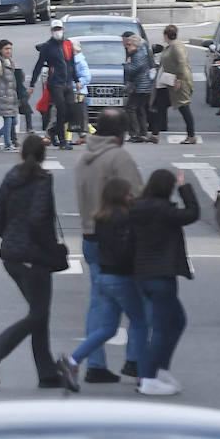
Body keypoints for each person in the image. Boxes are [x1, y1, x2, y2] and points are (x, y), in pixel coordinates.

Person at [0, 136, 78, 392]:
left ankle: (46, 373)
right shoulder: (43, 181)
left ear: (21, 154)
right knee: (38, 314)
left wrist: (12, 238)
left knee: (39, 313)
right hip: (35, 258)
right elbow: (39, 221)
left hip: (11, 256)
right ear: (44, 155)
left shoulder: (11, 178)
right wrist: (51, 250)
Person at [72, 108, 144, 382]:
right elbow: (138, 195)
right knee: (137, 303)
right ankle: (136, 360)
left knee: (98, 301)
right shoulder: (118, 157)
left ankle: (96, 364)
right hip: (118, 237)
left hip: (89, 234)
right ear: (120, 133)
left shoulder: (84, 157)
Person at [58, 178, 150, 390]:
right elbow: (125, 250)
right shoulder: (124, 219)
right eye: (128, 193)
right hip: (122, 276)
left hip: (104, 276)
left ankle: (72, 360)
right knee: (140, 321)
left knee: (107, 328)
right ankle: (144, 375)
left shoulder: (101, 217)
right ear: (122, 195)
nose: (131, 196)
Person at [130, 168, 198, 395]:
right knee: (163, 326)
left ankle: (159, 369)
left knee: (177, 320)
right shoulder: (164, 211)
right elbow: (193, 213)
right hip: (161, 274)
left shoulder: (137, 208)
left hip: (142, 273)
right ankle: (149, 376)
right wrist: (184, 188)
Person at [30, 19, 78, 150]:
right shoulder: (47, 46)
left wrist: (77, 80)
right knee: (61, 110)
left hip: (68, 82)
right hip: (55, 83)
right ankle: (63, 141)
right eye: (55, 30)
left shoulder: (68, 44)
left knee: (72, 110)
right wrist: (32, 83)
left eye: (59, 29)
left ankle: (53, 131)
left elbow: (71, 64)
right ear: (51, 31)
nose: (58, 32)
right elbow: (39, 65)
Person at [151, 24, 196, 144]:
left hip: (177, 84)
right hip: (167, 83)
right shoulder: (171, 47)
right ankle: (155, 134)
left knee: (184, 107)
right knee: (159, 106)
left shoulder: (176, 47)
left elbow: (182, 63)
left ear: (166, 36)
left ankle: (191, 136)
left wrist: (179, 79)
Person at [122, 31, 155, 143]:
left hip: (139, 86)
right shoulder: (139, 53)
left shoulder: (138, 54)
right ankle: (143, 132)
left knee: (130, 109)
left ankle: (135, 133)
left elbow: (134, 69)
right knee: (140, 109)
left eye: (129, 45)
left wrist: (126, 65)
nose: (127, 47)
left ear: (135, 45)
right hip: (142, 86)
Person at [0, 40, 20, 152]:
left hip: (11, 95)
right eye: (6, 49)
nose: (9, 51)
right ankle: (7, 144)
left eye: (10, 49)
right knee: (8, 119)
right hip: (3, 95)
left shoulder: (9, 62)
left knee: (14, 120)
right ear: (1, 50)